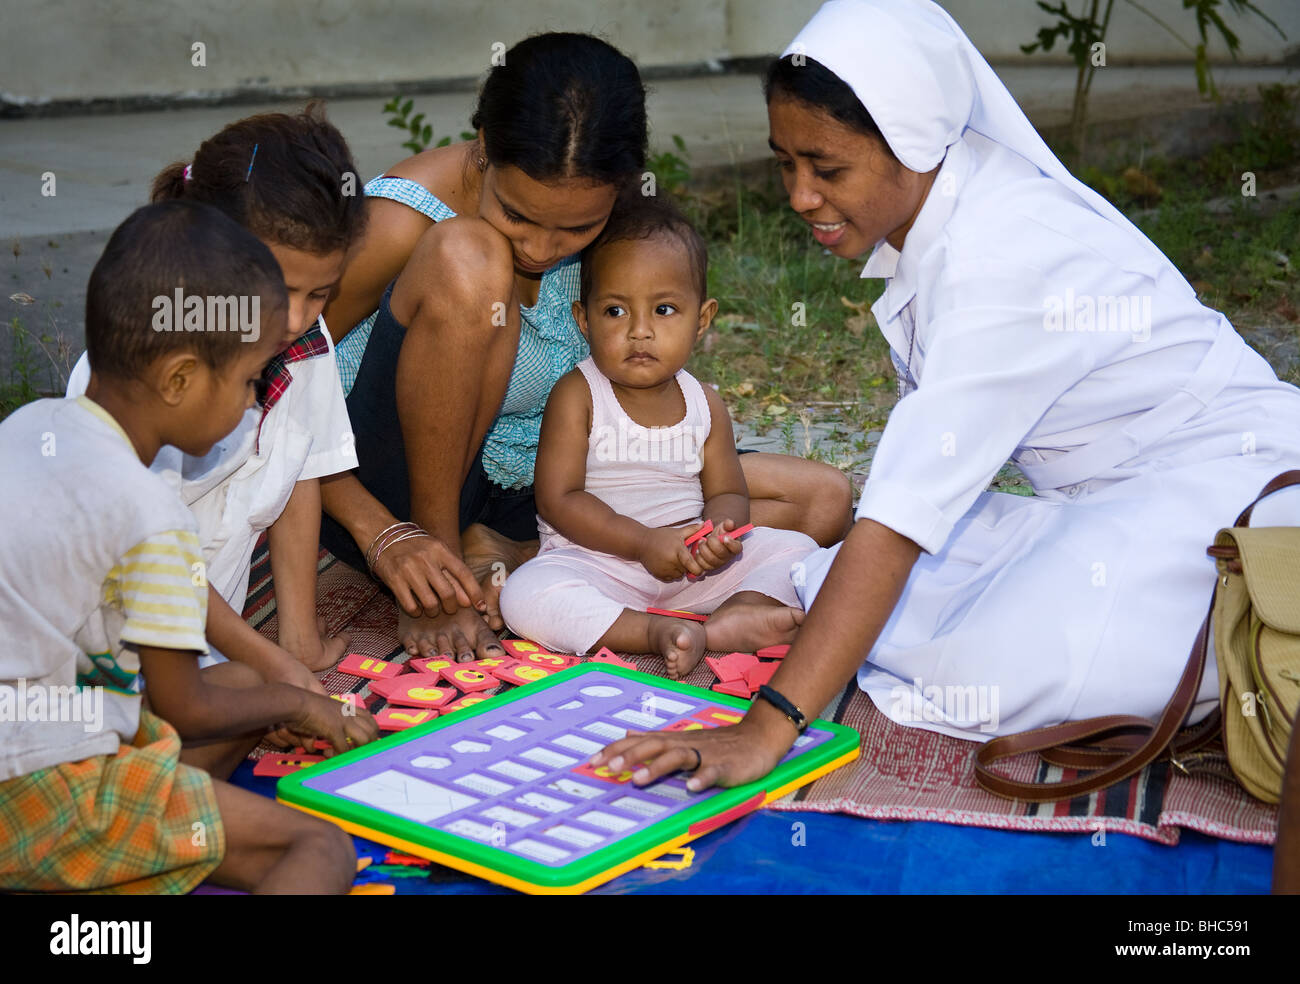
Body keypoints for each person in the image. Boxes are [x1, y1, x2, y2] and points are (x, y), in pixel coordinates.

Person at [590, 0, 1300, 792]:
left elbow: (897, 523)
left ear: (915, 142)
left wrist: (766, 730)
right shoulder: (945, 213)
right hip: (1113, 502)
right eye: (785, 163)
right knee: (870, 583)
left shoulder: (1003, 258)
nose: (798, 195)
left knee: (998, 655)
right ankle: (825, 624)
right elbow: (913, 494)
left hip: (1236, 501)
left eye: (827, 168)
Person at [318, 32, 853, 666]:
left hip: (548, 489)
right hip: (398, 489)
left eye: (577, 228)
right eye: (519, 215)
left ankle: (518, 556)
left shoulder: (622, 219)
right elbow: (273, 384)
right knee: (473, 256)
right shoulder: (403, 217)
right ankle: (450, 562)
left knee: (821, 500)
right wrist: (382, 533)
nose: (542, 249)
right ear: (485, 147)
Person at [0, 202, 378, 894]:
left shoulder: (30, 426)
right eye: (247, 381)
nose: (251, 402)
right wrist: (305, 708)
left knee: (247, 680)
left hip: (35, 731)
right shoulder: (152, 511)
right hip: (41, 795)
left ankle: (138, 843)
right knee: (319, 851)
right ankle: (101, 858)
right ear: (179, 379)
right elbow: (186, 708)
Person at [67, 105, 367, 706]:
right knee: (239, 700)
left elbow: (301, 473)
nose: (297, 318)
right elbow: (152, 564)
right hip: (110, 654)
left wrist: (297, 643)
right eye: (279, 289)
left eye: (320, 294)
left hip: (211, 648)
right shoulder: (137, 385)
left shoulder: (305, 345)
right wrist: (268, 663)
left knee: (247, 691)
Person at [499, 196, 816, 677]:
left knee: (798, 552)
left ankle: (735, 616)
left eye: (664, 309)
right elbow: (558, 500)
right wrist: (646, 543)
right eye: (615, 312)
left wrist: (719, 536)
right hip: (597, 566)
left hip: (692, 570)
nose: (640, 331)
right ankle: (649, 631)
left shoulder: (705, 402)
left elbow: (728, 490)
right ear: (583, 320)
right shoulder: (578, 395)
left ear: (702, 320)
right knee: (525, 597)